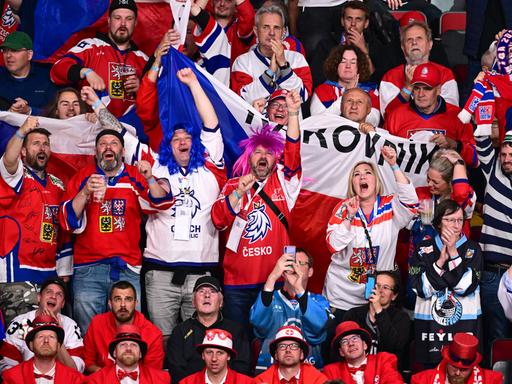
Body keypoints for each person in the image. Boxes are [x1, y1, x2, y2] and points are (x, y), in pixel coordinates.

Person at [81, 66, 226, 344]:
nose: (182, 141)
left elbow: (211, 123)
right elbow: (119, 132)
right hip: (160, 273)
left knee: (203, 344)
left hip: (202, 274)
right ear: (167, 146)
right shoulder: (156, 163)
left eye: (187, 138)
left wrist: (194, 83)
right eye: (175, 139)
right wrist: (98, 104)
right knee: (161, 341)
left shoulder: (211, 166)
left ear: (196, 144)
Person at [59, 125, 173, 332]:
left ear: (122, 151)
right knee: (89, 332)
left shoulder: (134, 176)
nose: (108, 147)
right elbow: (66, 221)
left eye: (114, 143)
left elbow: (162, 203)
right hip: (88, 268)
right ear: (96, 152)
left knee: (128, 333)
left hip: (126, 267)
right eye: (102, 144)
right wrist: (84, 193)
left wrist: (149, 177)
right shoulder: (83, 177)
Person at [211, 89, 303, 330]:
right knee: (238, 344)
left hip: (274, 281)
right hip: (236, 284)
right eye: (258, 152)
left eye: (269, 153)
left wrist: (293, 113)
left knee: (272, 344)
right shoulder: (233, 185)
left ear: (276, 159)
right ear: (249, 156)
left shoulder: (284, 182)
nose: (263, 157)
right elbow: (218, 221)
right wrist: (239, 193)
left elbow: (293, 150)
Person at [323, 146, 418, 319]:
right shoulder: (344, 208)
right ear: (352, 183)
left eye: (368, 172)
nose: (362, 176)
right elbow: (333, 245)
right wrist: (349, 217)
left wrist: (394, 165)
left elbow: (411, 202)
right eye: (357, 174)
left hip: (378, 297)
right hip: (342, 296)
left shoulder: (390, 205)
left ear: (376, 180)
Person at [0, 116, 71, 325]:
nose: (42, 148)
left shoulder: (58, 184)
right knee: (22, 335)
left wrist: (63, 269)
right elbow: (8, 161)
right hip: (17, 274)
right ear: (23, 150)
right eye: (36, 143)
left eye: (46, 144)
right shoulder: (16, 175)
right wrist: (21, 132)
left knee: (45, 335)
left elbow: (62, 227)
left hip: (49, 275)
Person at [410, 199, 483, 367]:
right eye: (449, 220)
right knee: (430, 373)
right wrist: (440, 262)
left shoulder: (474, 249)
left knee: (462, 369)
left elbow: (465, 287)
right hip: (429, 327)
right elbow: (421, 289)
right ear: (438, 223)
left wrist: (452, 253)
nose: (456, 225)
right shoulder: (423, 248)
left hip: (466, 322)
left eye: (459, 220)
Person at [50, 0, 148, 118]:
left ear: (136, 22)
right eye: (117, 18)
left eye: (129, 19)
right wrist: (86, 71)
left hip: (129, 130)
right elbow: (56, 71)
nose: (123, 24)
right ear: (109, 20)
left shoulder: (143, 59)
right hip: (91, 126)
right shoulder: (91, 46)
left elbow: (155, 103)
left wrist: (141, 89)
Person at [250, 248, 331, 372]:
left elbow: (318, 331)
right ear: (282, 271)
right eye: (290, 262)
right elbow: (258, 324)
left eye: (300, 263)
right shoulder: (268, 297)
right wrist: (272, 277)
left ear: (310, 272)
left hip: (310, 373)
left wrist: (298, 288)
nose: (294, 266)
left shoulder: (319, 301)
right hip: (270, 372)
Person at [383, 62, 478, 167]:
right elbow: (382, 154)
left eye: (427, 88)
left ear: (438, 90)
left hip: (447, 181)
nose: (420, 94)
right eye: (417, 88)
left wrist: (454, 145)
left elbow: (475, 159)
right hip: (406, 181)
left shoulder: (459, 116)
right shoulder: (397, 115)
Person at [167, 276, 251, 383]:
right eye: (201, 292)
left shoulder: (236, 330)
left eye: (212, 291)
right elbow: (176, 370)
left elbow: (242, 367)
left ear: (221, 302)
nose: (207, 295)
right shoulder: (180, 331)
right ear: (193, 302)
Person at [476, 131, 512, 363]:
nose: (507, 158)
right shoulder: (493, 171)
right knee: (496, 339)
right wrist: (482, 94)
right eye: (504, 153)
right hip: (493, 274)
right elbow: (480, 138)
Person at [230, 5, 312, 104]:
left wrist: (283, 65)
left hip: (290, 119)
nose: (271, 33)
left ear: (283, 32)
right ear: (256, 31)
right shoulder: (242, 62)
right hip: (257, 119)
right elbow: (241, 100)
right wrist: (269, 73)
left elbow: (303, 96)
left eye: (276, 28)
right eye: (265, 27)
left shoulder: (297, 58)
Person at [0, 278, 84, 373]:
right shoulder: (19, 322)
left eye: (59, 294)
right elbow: (7, 366)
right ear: (39, 297)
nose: (53, 296)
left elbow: (75, 371)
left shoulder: (70, 325)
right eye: (49, 292)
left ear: (63, 304)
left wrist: (58, 333)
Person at [82, 280, 164, 374]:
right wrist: (109, 378)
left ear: (135, 303)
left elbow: (153, 374)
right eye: (117, 299)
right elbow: (87, 362)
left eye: (128, 299)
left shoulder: (153, 333)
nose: (123, 305)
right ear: (110, 303)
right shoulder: (97, 323)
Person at [379, 20, 458, 117]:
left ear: (430, 44)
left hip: (438, 130)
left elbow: (452, 114)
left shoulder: (445, 74)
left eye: (419, 38)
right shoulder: (390, 77)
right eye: (409, 40)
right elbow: (388, 116)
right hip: (402, 130)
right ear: (403, 47)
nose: (414, 42)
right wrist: (407, 88)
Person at [310, 1, 394, 87]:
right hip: (333, 93)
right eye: (349, 19)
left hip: (364, 94)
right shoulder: (326, 45)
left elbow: (378, 81)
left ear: (366, 23)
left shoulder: (376, 45)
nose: (353, 24)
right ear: (342, 21)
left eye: (358, 19)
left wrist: (364, 51)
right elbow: (317, 78)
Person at [343, 271, 410, 371]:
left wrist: (378, 309)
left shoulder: (401, 318)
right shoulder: (353, 315)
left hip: (387, 372)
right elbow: (343, 347)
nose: (380, 290)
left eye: (386, 287)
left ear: (394, 296)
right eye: (377, 285)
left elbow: (394, 345)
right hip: (357, 372)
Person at [187, 0, 255, 85]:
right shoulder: (203, 22)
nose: (222, 4)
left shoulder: (240, 28)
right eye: (218, 0)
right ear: (212, 3)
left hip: (231, 89)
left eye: (228, 0)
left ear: (236, 5)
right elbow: (194, 12)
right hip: (203, 82)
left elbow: (248, 15)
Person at [310, 44, 380, 126]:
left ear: (359, 66)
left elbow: (374, 121)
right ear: (336, 65)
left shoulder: (370, 90)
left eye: (353, 62)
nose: (348, 66)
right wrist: (346, 95)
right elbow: (315, 122)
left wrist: (353, 93)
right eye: (343, 61)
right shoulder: (322, 90)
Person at [1, 314, 83, 384]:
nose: (46, 341)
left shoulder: (74, 379)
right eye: (41, 337)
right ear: (31, 345)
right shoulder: (12, 377)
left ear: (58, 346)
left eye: (51, 337)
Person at [85, 324, 170, 383]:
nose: (128, 348)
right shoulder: (95, 381)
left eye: (133, 345)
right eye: (123, 345)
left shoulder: (162, 379)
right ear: (114, 352)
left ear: (140, 353)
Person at [323, 321, 403, 383]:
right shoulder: (331, 371)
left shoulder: (383, 360)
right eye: (344, 341)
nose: (351, 344)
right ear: (341, 352)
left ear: (365, 345)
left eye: (354, 338)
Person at [0, 31, 58, 115]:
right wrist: (8, 114)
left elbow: (57, 112)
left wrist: (30, 111)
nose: (8, 55)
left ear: (29, 55)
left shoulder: (48, 76)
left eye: (14, 50)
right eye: (5, 51)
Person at [410, 333, 503, 384]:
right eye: (454, 367)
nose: (457, 373)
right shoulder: (421, 381)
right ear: (447, 361)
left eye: (464, 370)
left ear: (472, 366)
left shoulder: (492, 381)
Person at [253, 325, 328, 384]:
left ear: (301, 354)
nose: (288, 350)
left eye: (294, 346)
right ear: (276, 355)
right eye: (282, 346)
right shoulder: (261, 381)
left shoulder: (319, 380)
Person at [180, 328, 253, 384]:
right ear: (203, 355)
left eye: (220, 353)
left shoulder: (247, 382)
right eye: (209, 352)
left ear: (228, 356)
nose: (214, 358)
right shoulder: (187, 382)